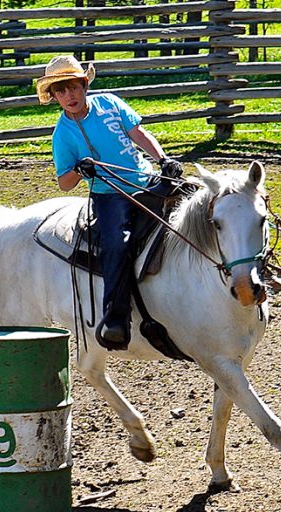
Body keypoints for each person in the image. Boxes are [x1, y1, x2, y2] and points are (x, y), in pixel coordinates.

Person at [35, 55, 183, 349]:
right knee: (117, 243)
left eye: (73, 87)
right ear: (54, 97)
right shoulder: (62, 135)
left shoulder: (111, 104)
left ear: (84, 85)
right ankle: (115, 318)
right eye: (60, 91)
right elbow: (64, 182)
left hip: (145, 179)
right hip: (109, 195)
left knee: (196, 201)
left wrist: (164, 160)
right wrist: (80, 170)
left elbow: (137, 133)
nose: (69, 96)